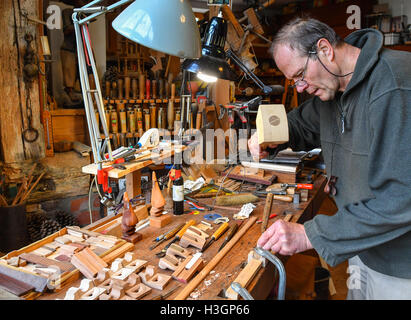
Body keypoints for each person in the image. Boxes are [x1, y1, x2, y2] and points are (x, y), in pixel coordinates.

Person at [248, 17, 411, 299]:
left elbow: (400, 198)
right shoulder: (334, 88)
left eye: (300, 75)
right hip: (360, 243)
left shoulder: (394, 86)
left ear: (324, 49)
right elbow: (299, 124)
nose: (299, 88)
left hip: (401, 264)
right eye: (292, 81)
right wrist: (267, 136)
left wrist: (311, 234)